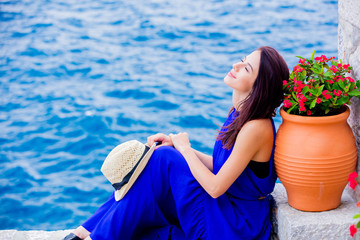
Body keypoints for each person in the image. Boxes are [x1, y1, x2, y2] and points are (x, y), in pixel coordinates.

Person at [63, 46, 289, 240]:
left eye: (246, 68)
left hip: (235, 225)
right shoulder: (241, 114)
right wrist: (178, 146)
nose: (236, 66)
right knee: (160, 158)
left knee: (165, 159)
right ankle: (91, 229)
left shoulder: (256, 127)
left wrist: (184, 150)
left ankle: (93, 231)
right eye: (242, 60)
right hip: (223, 210)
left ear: (260, 86)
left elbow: (216, 186)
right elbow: (223, 167)